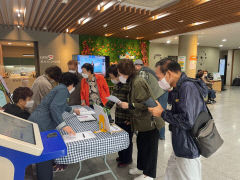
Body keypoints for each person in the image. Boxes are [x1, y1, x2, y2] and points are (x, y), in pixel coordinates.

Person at [148, 58, 208, 180]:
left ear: (169, 73)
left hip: (188, 146)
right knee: (171, 172)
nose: (159, 81)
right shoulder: (177, 88)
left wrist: (162, 113)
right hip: (180, 142)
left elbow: (187, 121)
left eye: (159, 78)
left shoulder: (187, 88)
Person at [117, 59, 164, 180]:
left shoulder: (138, 82)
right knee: (141, 146)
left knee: (149, 149)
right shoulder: (133, 81)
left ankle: (149, 175)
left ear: (125, 72)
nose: (119, 76)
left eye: (119, 73)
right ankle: (141, 168)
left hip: (150, 122)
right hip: (141, 122)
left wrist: (129, 105)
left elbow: (148, 104)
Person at [29, 72, 80, 180]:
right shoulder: (63, 90)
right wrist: (63, 125)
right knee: (45, 153)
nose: (73, 88)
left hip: (39, 120)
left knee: (43, 154)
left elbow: (61, 104)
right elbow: (55, 107)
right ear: (71, 84)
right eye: (74, 85)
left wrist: (72, 110)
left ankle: (46, 171)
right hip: (42, 122)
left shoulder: (59, 88)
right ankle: (45, 176)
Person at [105, 65, 133, 168]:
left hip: (127, 117)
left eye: (112, 77)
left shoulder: (128, 85)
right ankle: (121, 156)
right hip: (118, 116)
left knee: (127, 140)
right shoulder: (117, 85)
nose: (112, 79)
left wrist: (131, 118)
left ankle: (127, 159)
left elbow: (132, 103)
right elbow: (112, 99)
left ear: (119, 75)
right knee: (120, 138)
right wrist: (104, 110)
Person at [134, 59, 168, 140]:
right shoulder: (148, 70)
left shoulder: (142, 72)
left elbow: (142, 86)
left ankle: (158, 134)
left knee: (158, 113)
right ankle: (161, 135)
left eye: (134, 66)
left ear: (138, 66)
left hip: (158, 93)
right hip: (163, 92)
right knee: (161, 112)